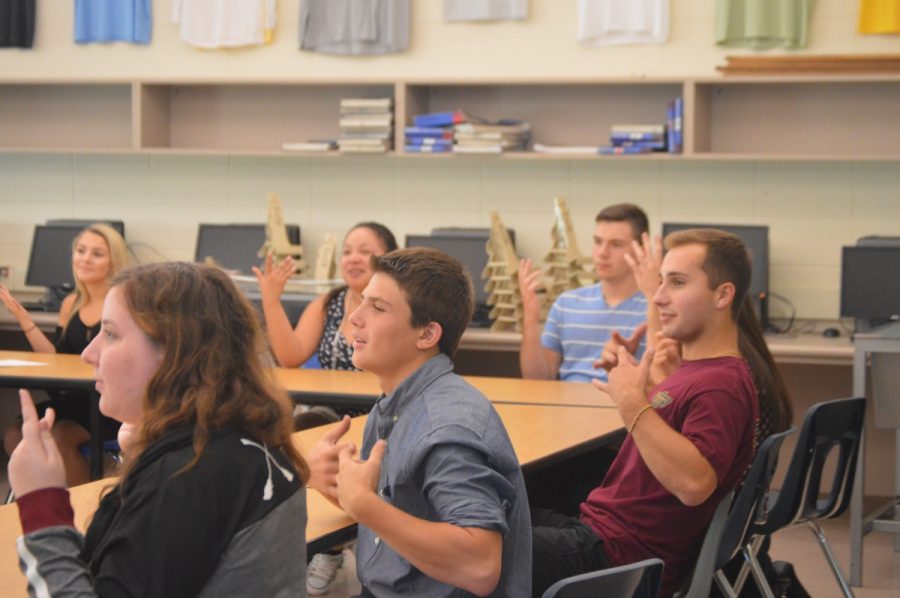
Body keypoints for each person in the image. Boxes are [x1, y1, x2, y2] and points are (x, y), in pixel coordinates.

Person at [9, 262, 309, 597]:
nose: (88, 353)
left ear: (174, 354)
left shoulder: (184, 478)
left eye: (109, 334)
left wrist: (42, 504)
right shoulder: (241, 440)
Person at [531, 229, 792, 597]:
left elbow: (693, 484)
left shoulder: (720, 383)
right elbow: (673, 430)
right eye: (661, 282)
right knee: (491, 507)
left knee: (466, 551)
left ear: (723, 294)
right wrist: (642, 387)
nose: (658, 297)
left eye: (677, 283)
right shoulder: (699, 370)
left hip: (617, 557)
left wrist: (632, 402)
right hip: (600, 532)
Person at [307, 248, 532, 596]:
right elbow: (407, 512)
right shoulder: (396, 404)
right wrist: (341, 487)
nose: (355, 317)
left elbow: (480, 565)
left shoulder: (446, 426)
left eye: (378, 308)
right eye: (362, 301)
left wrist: (364, 505)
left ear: (426, 335)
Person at [254, 221, 397, 595]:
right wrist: (271, 299)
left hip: (377, 414)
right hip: (329, 414)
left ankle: (333, 546)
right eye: (347, 250)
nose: (353, 258)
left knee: (342, 447)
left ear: (389, 258)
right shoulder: (330, 302)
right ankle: (309, 540)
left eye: (365, 250)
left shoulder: (396, 304)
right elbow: (290, 354)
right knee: (297, 432)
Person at [1, 223, 129, 486]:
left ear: (113, 261)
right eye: (81, 251)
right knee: (16, 434)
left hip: (104, 403)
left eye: (97, 253)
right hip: (73, 399)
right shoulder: (71, 303)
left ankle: (80, 516)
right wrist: (23, 318)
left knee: (60, 436)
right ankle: (43, 502)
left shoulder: (119, 303)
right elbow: (58, 358)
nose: (85, 259)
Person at [518, 203, 649, 383]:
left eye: (616, 244)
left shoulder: (656, 309)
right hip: (566, 408)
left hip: (624, 407)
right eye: (597, 242)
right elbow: (538, 379)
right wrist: (530, 321)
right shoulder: (566, 303)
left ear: (640, 249)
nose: (602, 253)